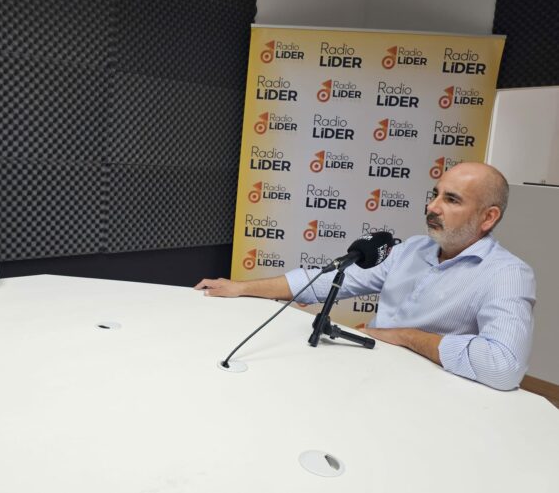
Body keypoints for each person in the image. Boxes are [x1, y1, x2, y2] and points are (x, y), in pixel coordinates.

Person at [195, 162, 535, 391]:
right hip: (371, 376)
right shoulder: (411, 249)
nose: (432, 207)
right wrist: (241, 287)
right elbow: (329, 279)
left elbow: (503, 365)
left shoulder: (507, 275)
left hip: (430, 398)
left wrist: (402, 336)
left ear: (487, 217)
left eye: (451, 199)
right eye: (435, 194)